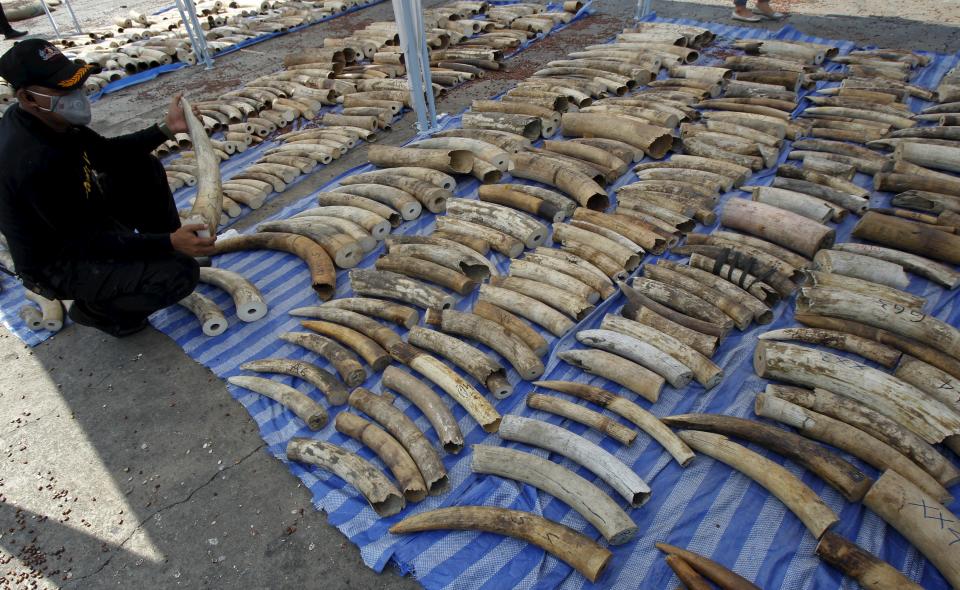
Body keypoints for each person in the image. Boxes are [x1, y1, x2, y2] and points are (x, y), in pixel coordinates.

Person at [0, 39, 216, 337]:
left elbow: (107, 154)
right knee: (179, 276)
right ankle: (98, 312)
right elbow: (86, 241)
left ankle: (171, 249)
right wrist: (168, 242)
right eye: (62, 89)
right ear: (27, 97)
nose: (75, 95)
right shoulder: (31, 160)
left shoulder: (51, 121)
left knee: (144, 167)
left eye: (75, 84)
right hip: (60, 260)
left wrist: (167, 129)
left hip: (83, 218)